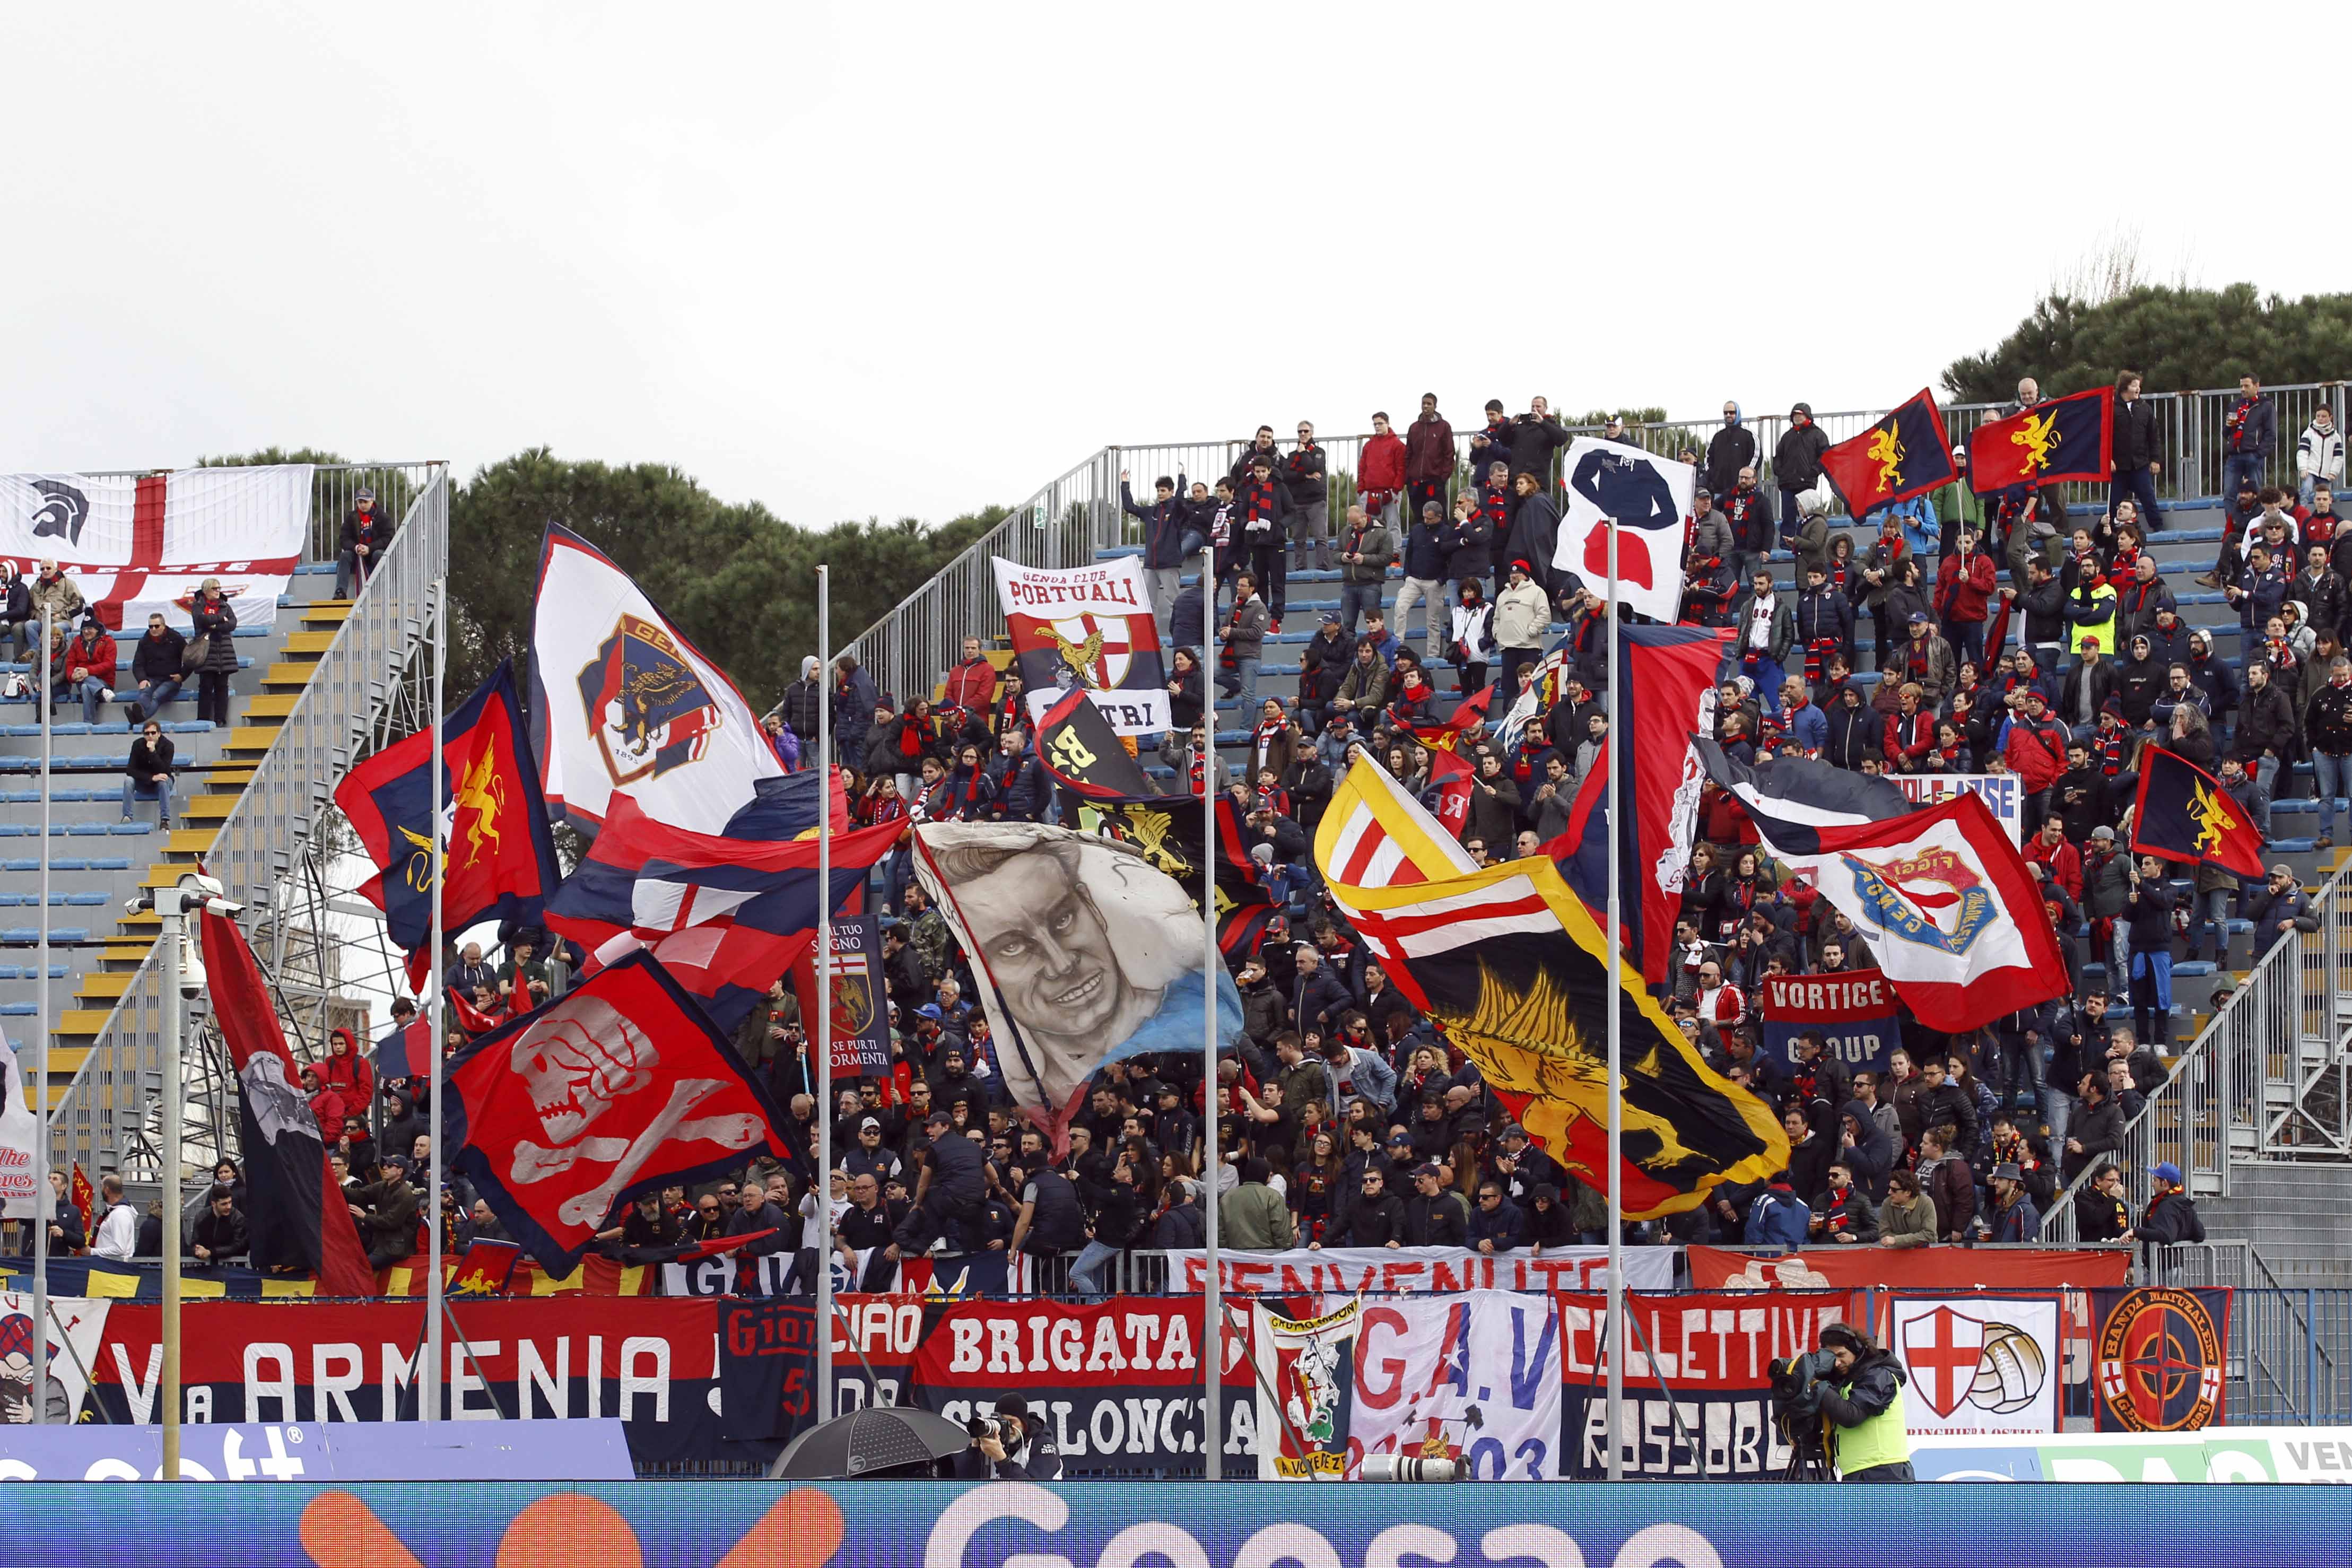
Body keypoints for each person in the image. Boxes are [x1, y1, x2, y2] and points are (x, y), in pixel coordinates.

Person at [1816, 1321, 1914, 1482]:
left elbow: (1852, 1415)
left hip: (1883, 1471)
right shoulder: (1847, 1381)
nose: (1837, 1363)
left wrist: (1817, 1386)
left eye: (1841, 1355)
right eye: (1832, 1358)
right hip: (1861, 1470)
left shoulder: (1879, 1375)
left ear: (1857, 1350)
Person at [954, 1395, 1062, 1482]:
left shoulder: (1043, 1444)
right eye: (1002, 1422)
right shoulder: (992, 1442)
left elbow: (1033, 1490)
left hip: (1042, 1507)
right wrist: (974, 1450)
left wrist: (1001, 1459)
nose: (1008, 1427)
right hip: (996, 1506)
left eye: (1012, 1422)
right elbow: (963, 1482)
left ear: (1024, 1423)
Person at [352, 1155, 420, 1269]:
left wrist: (365, 1216)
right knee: (354, 1259)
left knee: (361, 1267)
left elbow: (391, 1221)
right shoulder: (383, 1186)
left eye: (389, 1166)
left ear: (400, 1171)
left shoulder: (404, 1193)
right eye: (384, 1165)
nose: (384, 1168)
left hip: (395, 1247)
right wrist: (338, 1186)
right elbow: (360, 1194)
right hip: (381, 1243)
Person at [190, 577, 239, 727]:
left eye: (219, 588)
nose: (218, 591)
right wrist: (220, 619)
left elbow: (232, 624)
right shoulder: (198, 606)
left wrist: (215, 625)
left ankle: (220, 719)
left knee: (222, 687)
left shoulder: (225, 605)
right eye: (215, 589)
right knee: (205, 686)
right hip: (206, 652)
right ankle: (203, 719)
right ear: (206, 590)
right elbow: (202, 620)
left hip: (224, 652)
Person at [337, 486, 388, 599]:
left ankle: (381, 592)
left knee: (379, 555)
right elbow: (344, 538)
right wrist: (356, 548)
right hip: (357, 555)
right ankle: (340, 592)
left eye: (366, 502)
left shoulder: (382, 517)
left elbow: (388, 538)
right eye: (360, 502)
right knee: (345, 556)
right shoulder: (351, 517)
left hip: (375, 553)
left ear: (372, 500)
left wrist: (370, 548)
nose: (363, 505)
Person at [123, 718, 175, 828]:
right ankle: (127, 816)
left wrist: (153, 752)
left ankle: (165, 820)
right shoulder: (137, 745)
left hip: (162, 782)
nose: (150, 736)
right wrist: (151, 778)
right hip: (145, 782)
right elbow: (130, 770)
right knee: (129, 781)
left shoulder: (168, 746)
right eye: (147, 734)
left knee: (163, 781)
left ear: (159, 734)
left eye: (153, 733)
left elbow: (165, 771)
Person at [190, 1184, 249, 1265]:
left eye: (230, 1202)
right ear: (214, 1204)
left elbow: (237, 1246)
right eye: (224, 1204)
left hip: (231, 1267)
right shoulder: (201, 1216)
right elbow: (195, 1242)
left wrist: (210, 1252)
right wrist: (198, 1251)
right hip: (206, 1266)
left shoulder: (238, 1218)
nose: (229, 1207)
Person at [90, 1174, 139, 1260]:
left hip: (113, 1267)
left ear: (107, 1190)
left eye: (102, 1188)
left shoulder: (120, 1214)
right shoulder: (114, 1212)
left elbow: (120, 1249)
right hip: (109, 1265)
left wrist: (91, 1251)